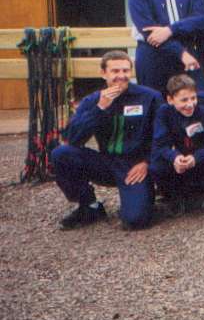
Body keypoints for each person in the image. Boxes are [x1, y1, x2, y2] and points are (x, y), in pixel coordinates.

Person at [51, 51, 161, 230]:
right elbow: (73, 138)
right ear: (103, 73)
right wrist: (100, 108)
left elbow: (163, 135)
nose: (121, 76)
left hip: (135, 167)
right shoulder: (93, 100)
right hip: (106, 163)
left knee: (136, 220)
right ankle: (89, 206)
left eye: (125, 71)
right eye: (115, 71)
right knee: (61, 154)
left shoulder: (150, 97)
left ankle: (143, 200)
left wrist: (146, 162)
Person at [150, 74, 204, 215]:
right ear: (170, 100)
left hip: (203, 159)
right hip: (180, 163)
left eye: (193, 98)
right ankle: (174, 198)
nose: (190, 104)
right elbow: (160, 144)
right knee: (156, 167)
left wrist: (196, 158)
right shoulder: (164, 113)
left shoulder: (203, 111)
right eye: (184, 100)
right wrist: (174, 157)